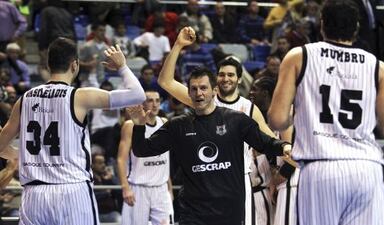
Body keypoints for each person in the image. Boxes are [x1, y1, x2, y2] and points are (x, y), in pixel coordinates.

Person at [267, 1, 384, 225]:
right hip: (367, 168)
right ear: (356, 28)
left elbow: (277, 120)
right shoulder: (378, 67)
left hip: (320, 167)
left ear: (322, 24)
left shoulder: (299, 56)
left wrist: (296, 114)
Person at [157, 27, 297, 224]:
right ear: (215, 81)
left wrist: (287, 161)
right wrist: (178, 45)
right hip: (204, 180)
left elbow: (269, 142)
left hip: (237, 181)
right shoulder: (202, 98)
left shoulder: (248, 108)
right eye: (222, 74)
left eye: (231, 75)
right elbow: (165, 81)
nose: (226, 78)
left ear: (239, 79)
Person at [0, 38, 146, 225]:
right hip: (71, 191)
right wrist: (123, 67)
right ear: (75, 65)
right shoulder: (79, 96)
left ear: (48, 64)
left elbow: (1, 146)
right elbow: (137, 95)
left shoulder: (25, 99)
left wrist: (22, 156)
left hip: (33, 196)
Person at [127, 66, 291, 225]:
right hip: (193, 214)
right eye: (194, 89)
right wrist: (139, 126)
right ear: (189, 93)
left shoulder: (236, 120)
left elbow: (265, 142)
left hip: (230, 213)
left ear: (214, 91)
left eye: (204, 88)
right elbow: (143, 150)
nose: (199, 93)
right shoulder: (178, 126)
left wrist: (284, 146)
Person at [118, 89, 173, 225]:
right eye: (150, 100)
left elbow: (165, 161)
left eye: (157, 100)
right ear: (142, 104)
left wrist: (169, 188)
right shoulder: (130, 125)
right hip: (137, 188)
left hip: (161, 189)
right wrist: (125, 187)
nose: (154, 104)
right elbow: (121, 159)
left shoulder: (165, 122)